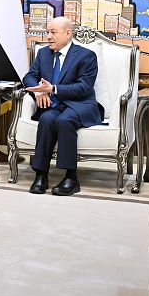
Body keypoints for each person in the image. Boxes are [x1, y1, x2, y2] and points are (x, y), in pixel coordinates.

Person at [24, 17, 103, 196]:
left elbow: (84, 87)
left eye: (53, 32)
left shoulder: (86, 56)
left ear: (68, 33)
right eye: (47, 32)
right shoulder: (43, 54)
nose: (48, 36)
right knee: (46, 118)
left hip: (80, 104)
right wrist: (38, 92)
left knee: (64, 121)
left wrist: (53, 89)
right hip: (55, 105)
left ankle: (71, 178)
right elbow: (29, 77)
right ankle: (41, 175)